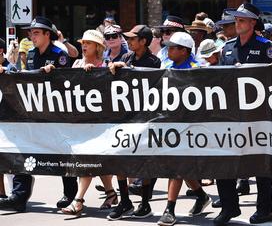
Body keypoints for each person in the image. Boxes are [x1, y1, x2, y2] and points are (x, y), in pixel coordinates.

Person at [0, 17, 76, 213]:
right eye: (30, 33)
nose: (31, 36)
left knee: (62, 153)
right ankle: (19, 196)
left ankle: (70, 193)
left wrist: (56, 73)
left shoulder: (60, 55)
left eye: (35, 33)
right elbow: (26, 80)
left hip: (57, 115)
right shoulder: (32, 55)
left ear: (47, 35)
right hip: (33, 114)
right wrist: (8, 72)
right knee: (24, 149)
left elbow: (69, 83)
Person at [214, 2, 272, 226]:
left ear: (253, 23)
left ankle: (264, 210)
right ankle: (229, 207)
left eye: (242, 19)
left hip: (257, 115)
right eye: (236, 19)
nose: (237, 23)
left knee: (260, 164)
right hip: (231, 114)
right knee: (223, 160)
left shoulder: (265, 47)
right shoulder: (227, 47)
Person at [60, 30, 117, 216]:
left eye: (89, 43)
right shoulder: (77, 63)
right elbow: (66, 84)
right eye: (83, 43)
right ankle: (111, 194)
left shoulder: (105, 65)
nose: (84, 46)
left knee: (88, 160)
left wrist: (96, 74)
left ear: (98, 47)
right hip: (79, 121)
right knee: (95, 161)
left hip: (100, 122)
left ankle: (78, 200)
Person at [107, 25, 162, 220]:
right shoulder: (125, 58)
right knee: (119, 157)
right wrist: (113, 68)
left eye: (133, 39)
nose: (129, 42)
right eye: (128, 39)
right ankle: (125, 201)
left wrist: (128, 70)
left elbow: (152, 84)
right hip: (125, 117)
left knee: (144, 162)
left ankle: (145, 203)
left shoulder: (154, 62)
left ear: (144, 41)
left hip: (145, 117)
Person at [156, 32, 208, 226]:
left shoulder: (198, 68)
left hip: (193, 126)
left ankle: (169, 209)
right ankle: (201, 195)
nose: (168, 50)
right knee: (179, 166)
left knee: (176, 166)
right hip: (170, 124)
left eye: (172, 47)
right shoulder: (166, 67)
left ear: (184, 51)